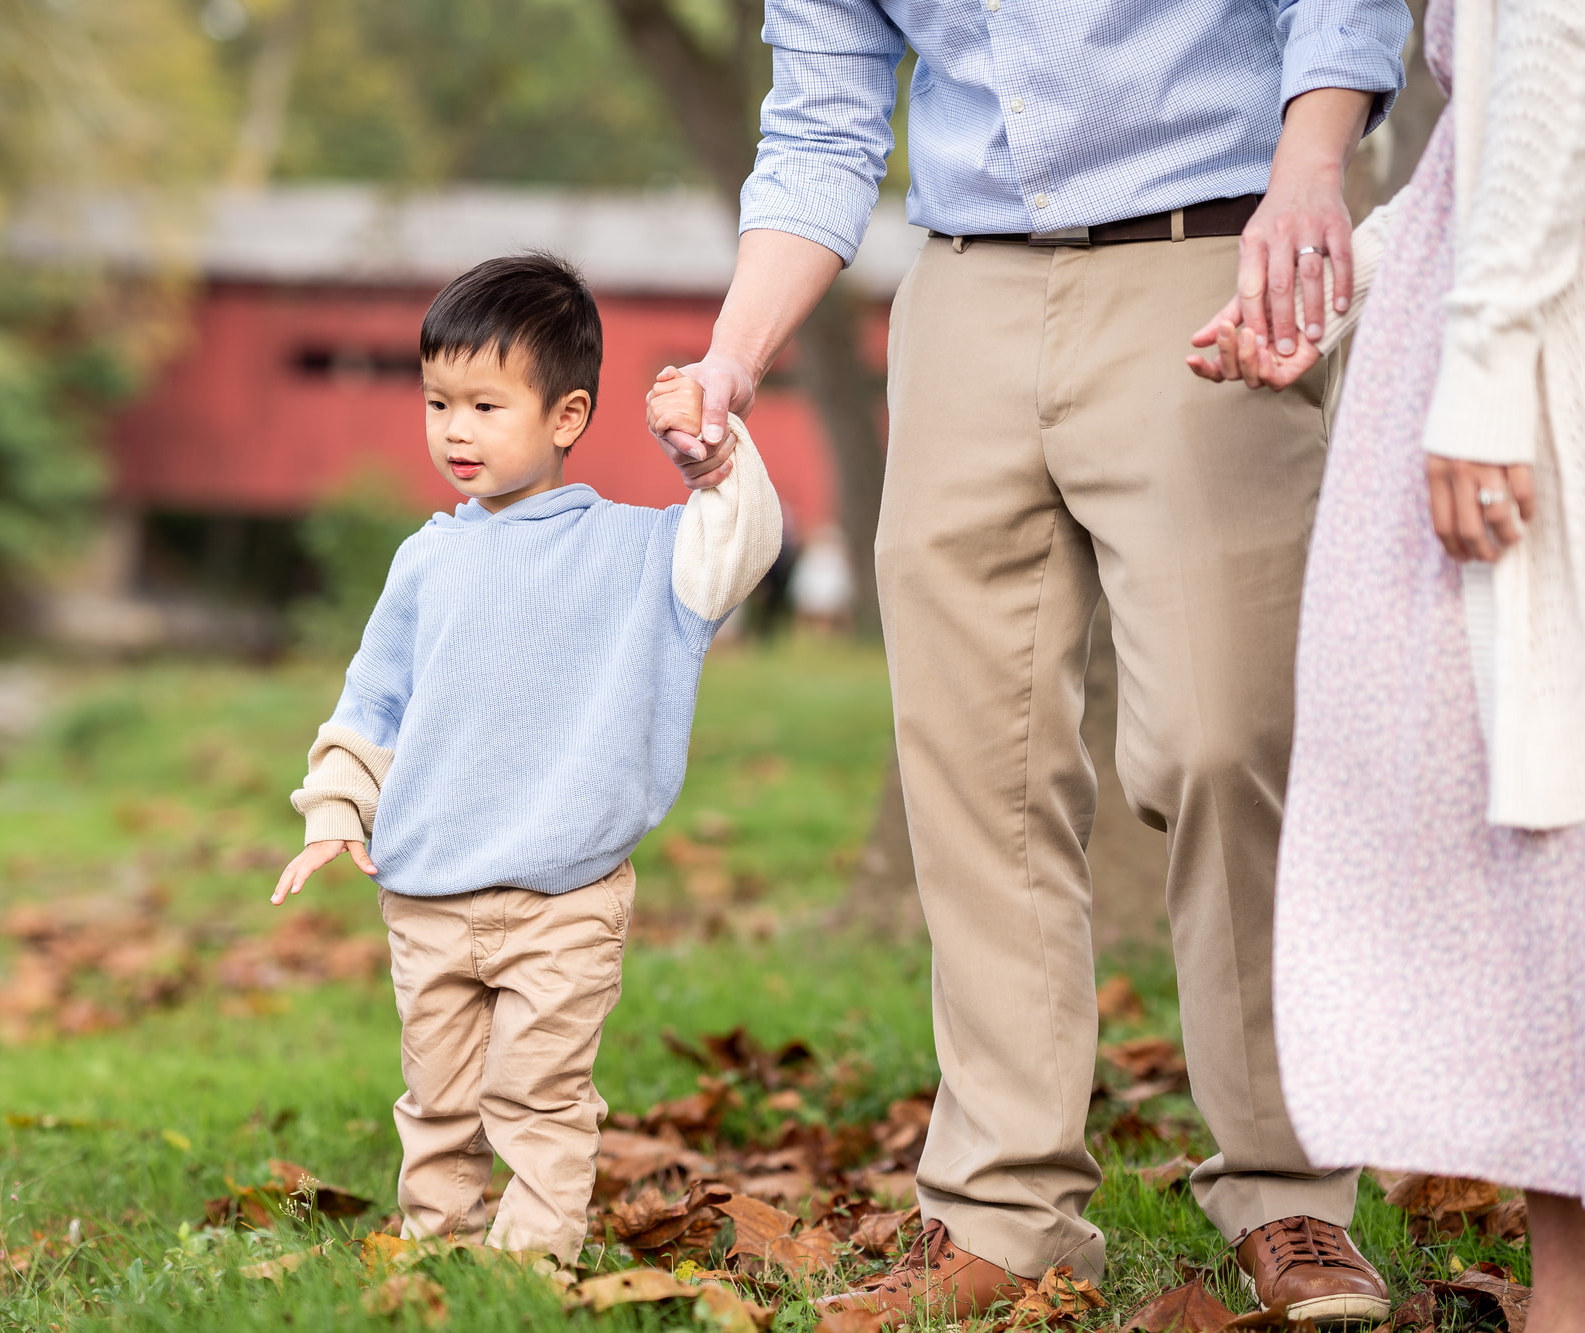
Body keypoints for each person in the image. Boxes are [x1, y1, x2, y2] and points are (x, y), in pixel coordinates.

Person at [644, 0, 1413, 1322]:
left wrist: (1309, 173)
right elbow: (821, 123)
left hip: (1210, 248)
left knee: (1227, 737)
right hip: (966, 287)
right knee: (973, 756)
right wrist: (731, 358)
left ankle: (1288, 1187)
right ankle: (1002, 1208)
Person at [1189, 0, 1585, 1323]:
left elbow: (1556, 64)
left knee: (1557, 844)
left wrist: (1483, 374)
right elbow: (1485, 147)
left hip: (1535, 353)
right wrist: (1344, 282)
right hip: (1498, 305)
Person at [269, 253, 781, 1265]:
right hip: (427, 892)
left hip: (565, 893)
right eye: (437, 403)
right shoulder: (426, 559)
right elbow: (374, 703)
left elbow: (741, 541)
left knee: (539, 1095)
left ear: (565, 415)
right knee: (439, 1099)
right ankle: (438, 1254)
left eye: (484, 406)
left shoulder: (639, 552)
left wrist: (712, 454)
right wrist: (334, 808)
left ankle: (530, 1269)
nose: (453, 430)